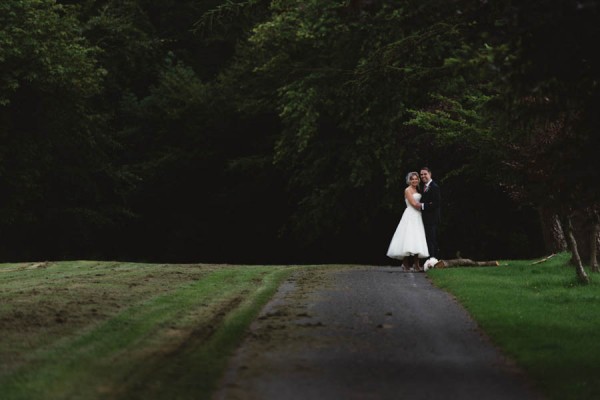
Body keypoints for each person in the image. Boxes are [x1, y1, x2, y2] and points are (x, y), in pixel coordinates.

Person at [386, 172, 429, 271]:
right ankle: (405, 263)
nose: (414, 180)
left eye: (416, 179)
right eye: (412, 179)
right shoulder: (407, 190)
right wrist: (426, 206)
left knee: (417, 238)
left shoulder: (418, 189)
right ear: (409, 180)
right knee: (407, 238)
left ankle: (416, 264)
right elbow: (413, 203)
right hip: (410, 215)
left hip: (418, 215)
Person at [419, 167, 441, 259]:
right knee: (427, 240)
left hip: (432, 219)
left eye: (425, 174)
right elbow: (430, 202)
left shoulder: (434, 186)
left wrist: (422, 205)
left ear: (430, 174)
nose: (423, 176)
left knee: (431, 240)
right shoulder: (423, 187)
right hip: (425, 218)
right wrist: (428, 203)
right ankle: (429, 261)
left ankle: (433, 260)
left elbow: (436, 203)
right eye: (421, 174)